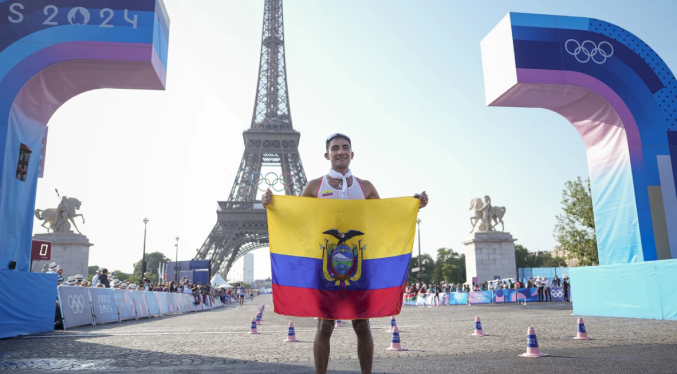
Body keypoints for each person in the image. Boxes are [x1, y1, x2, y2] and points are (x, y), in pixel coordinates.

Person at [262, 133, 428, 374]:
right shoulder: (314, 186)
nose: (340, 151)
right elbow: (296, 218)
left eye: (345, 148)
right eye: (335, 148)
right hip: (325, 265)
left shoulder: (367, 187)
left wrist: (412, 206)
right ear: (327, 154)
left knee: (362, 324)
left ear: (352, 154)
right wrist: (272, 203)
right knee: (324, 325)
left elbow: (382, 219)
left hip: (359, 263)